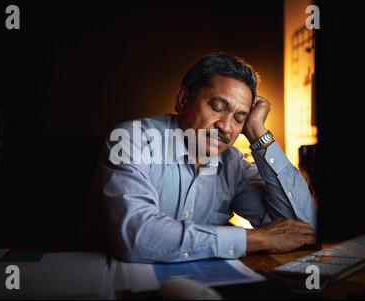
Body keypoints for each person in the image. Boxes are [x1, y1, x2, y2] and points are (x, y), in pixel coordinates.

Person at [98, 53, 316, 263]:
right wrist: (256, 238)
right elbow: (137, 237)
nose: (226, 126)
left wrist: (258, 133)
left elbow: (301, 229)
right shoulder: (130, 140)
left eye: (240, 118)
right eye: (217, 107)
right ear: (184, 100)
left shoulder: (234, 165)